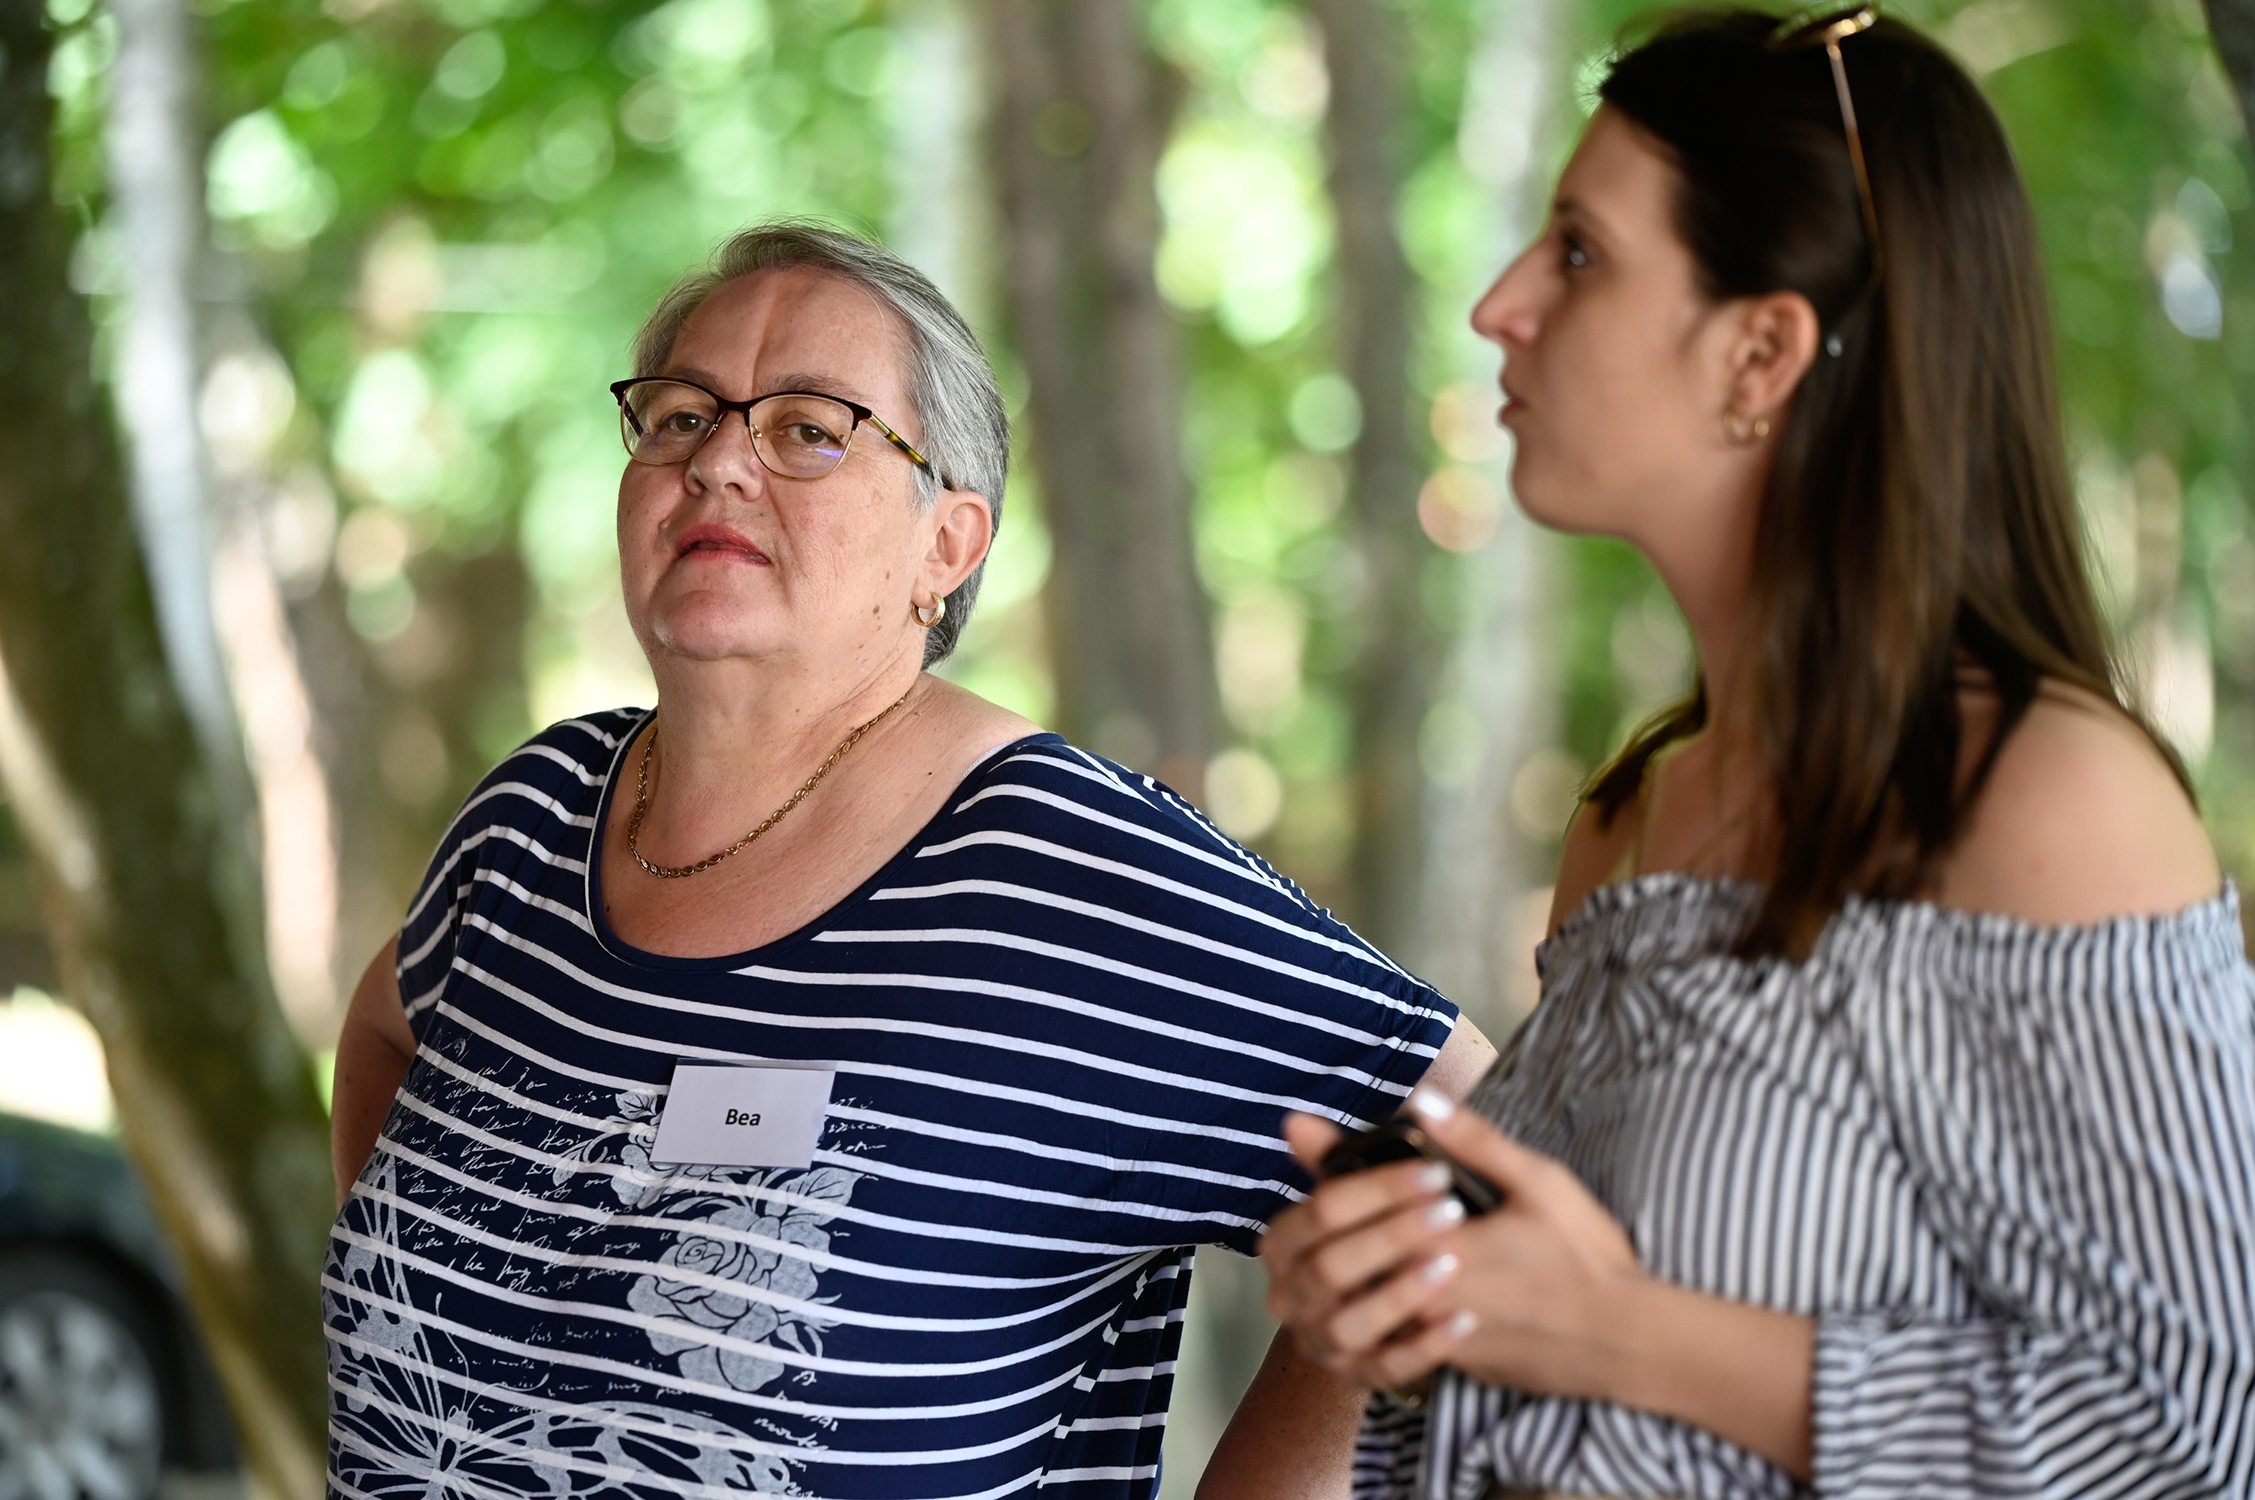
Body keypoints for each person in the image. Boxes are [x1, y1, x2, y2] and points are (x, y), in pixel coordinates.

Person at [324, 221, 1494, 1499]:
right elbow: (386, 1024)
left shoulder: (1061, 868)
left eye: (809, 429)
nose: (718, 460)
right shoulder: (535, 813)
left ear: (949, 544)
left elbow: (1482, 1143)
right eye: (677, 417)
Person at [1258, 8, 2255, 1498]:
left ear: (1760, 349)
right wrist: (1417, 1307)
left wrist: (1615, 1333)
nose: (1498, 306)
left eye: (1578, 253)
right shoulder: (1631, 813)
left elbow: (2190, 1432)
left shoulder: (2048, 802)